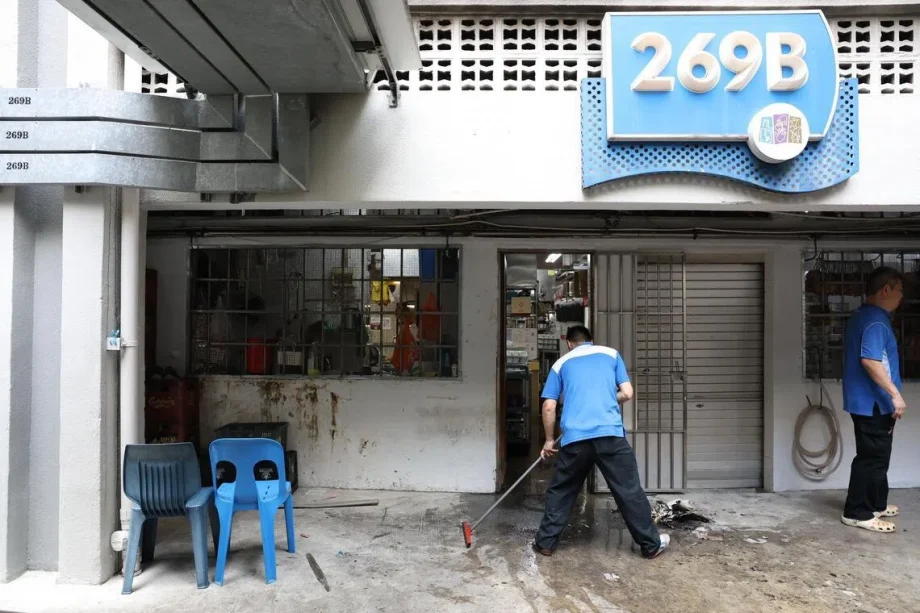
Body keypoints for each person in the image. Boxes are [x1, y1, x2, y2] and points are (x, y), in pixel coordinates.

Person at [532, 325, 669, 558]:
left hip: (575, 439)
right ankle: (650, 545)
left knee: (562, 491)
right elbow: (627, 393)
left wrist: (548, 441)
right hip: (610, 436)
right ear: (591, 341)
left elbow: (548, 406)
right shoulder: (611, 354)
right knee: (628, 490)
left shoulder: (560, 364)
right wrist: (608, 398)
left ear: (568, 343)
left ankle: (545, 543)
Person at [841, 266, 907, 533]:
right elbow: (870, 360)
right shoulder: (876, 321)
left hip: (867, 402)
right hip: (874, 403)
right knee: (872, 458)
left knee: (876, 456)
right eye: (900, 291)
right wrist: (895, 395)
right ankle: (857, 512)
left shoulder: (863, 316)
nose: (902, 297)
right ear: (886, 290)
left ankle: (876, 503)